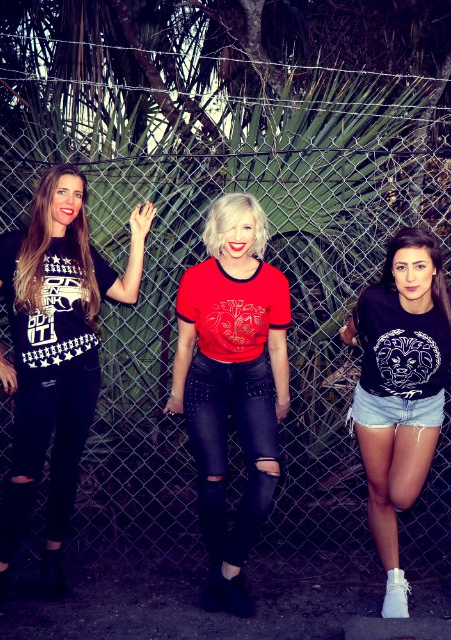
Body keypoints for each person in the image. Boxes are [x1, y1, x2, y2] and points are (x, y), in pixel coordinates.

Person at [0, 164, 156, 630]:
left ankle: (52, 558)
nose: (71, 201)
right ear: (46, 195)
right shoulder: (15, 245)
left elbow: (128, 294)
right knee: (25, 474)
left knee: (68, 466)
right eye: (63, 192)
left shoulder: (83, 251)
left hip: (83, 374)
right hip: (37, 378)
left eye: (78, 194)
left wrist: (137, 236)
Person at [338, 227, 451, 618]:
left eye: (419, 266)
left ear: (435, 270)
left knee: (401, 495)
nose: (410, 276)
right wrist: (353, 338)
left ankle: (393, 562)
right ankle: (394, 580)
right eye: (401, 267)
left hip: (423, 409)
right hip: (374, 404)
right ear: (391, 271)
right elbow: (350, 333)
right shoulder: (374, 300)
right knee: (378, 491)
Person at [163, 192, 291, 618]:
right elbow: (184, 343)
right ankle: (225, 576)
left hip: (253, 380)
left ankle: (228, 572)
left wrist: (283, 394)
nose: (238, 236)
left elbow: (277, 345)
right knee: (214, 475)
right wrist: (177, 393)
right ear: (216, 229)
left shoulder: (273, 280)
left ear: (258, 232)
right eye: (231, 226)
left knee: (268, 470)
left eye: (247, 227)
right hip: (206, 380)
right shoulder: (196, 278)